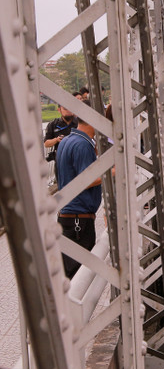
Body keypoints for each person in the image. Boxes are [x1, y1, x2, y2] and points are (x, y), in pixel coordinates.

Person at [55, 115, 103, 278]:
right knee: (80, 277)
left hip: (67, 216)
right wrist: (111, 172)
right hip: (79, 220)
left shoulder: (66, 141)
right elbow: (86, 180)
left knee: (69, 274)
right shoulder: (83, 144)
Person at [44, 95, 79, 165]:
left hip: (78, 159)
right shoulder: (53, 124)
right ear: (59, 110)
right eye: (65, 108)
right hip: (61, 162)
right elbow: (46, 143)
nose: (68, 111)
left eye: (70, 108)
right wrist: (56, 140)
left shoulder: (80, 123)